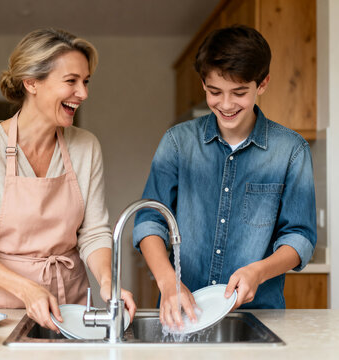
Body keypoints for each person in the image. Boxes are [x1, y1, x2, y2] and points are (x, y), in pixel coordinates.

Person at [0, 28, 136, 332]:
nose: (83, 93)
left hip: (68, 306)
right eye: (71, 81)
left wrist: (107, 283)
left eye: (85, 82)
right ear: (32, 82)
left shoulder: (85, 146)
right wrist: (27, 289)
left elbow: (93, 232)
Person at [133, 25, 316, 330]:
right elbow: (149, 221)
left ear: (263, 83)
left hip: (258, 318)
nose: (227, 105)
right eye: (214, 92)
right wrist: (168, 282)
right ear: (203, 84)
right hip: (182, 313)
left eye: (240, 92)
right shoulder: (178, 142)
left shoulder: (291, 150)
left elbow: (300, 238)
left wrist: (259, 271)